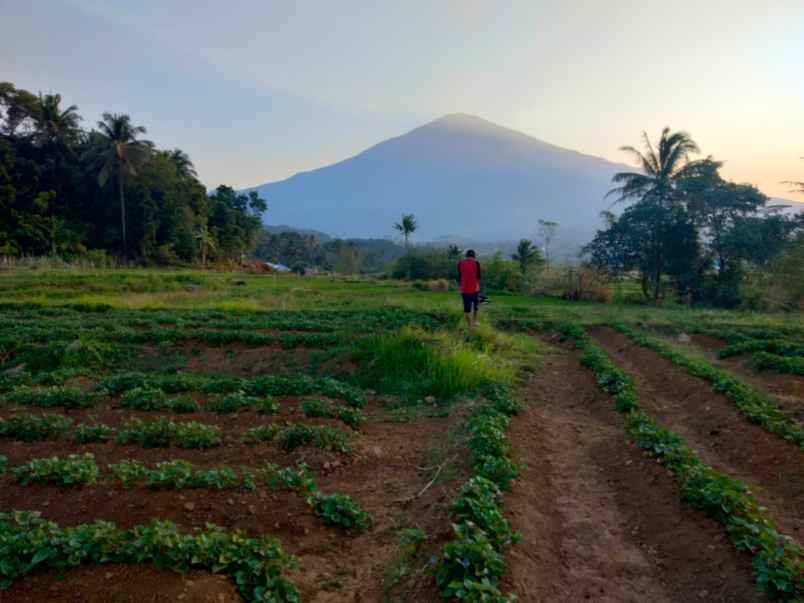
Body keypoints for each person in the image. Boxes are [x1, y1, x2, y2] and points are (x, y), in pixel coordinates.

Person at [457, 249, 481, 328]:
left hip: (464, 289)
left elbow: (460, 276)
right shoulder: (476, 263)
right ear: (474, 257)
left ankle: (470, 326)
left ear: (466, 256)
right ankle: (475, 321)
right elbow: (478, 277)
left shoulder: (460, 263)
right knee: (476, 306)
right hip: (475, 289)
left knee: (467, 310)